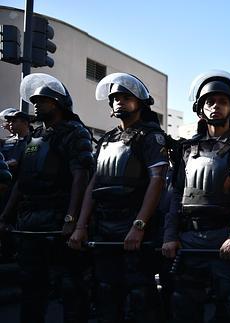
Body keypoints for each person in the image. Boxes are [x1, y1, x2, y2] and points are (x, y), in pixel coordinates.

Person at [68, 72, 168, 323]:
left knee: (140, 297)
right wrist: (80, 226)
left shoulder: (151, 136)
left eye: (126, 97)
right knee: (105, 294)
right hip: (104, 227)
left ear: (140, 102)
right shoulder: (107, 139)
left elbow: (157, 180)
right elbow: (94, 183)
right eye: (114, 98)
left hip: (135, 226)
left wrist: (139, 225)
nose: (119, 102)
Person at [161, 70, 230, 323]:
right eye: (209, 102)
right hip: (189, 240)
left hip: (225, 239)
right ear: (200, 108)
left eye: (222, 101)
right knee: (183, 304)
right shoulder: (186, 149)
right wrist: (170, 236)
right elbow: (176, 195)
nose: (215, 107)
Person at [0, 73, 94, 323]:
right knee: (30, 286)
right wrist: (6, 216)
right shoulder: (34, 137)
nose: (36, 105)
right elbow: (22, 180)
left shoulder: (75, 133)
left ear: (57, 103)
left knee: (70, 286)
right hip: (30, 221)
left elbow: (81, 176)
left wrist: (71, 219)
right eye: (34, 101)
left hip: (59, 218)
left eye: (42, 101)